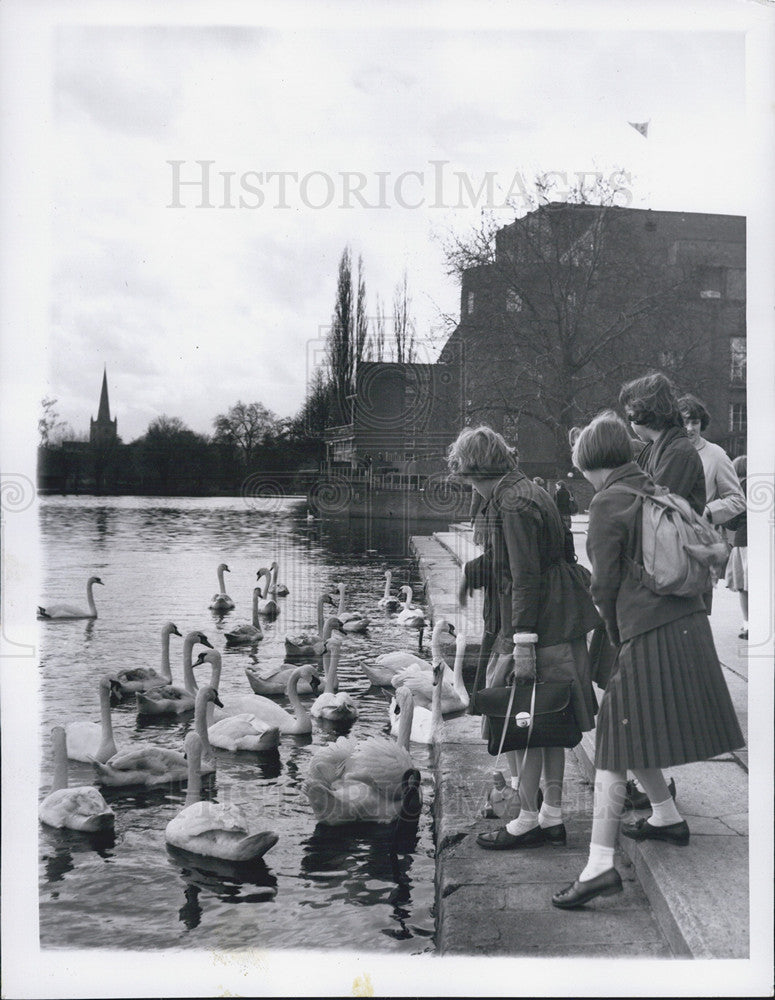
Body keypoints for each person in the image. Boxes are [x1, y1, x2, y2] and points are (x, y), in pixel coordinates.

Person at [552, 412, 744, 909]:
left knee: (613, 742)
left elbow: (604, 585)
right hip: (687, 623)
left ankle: (598, 867)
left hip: (648, 630)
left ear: (586, 460)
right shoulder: (652, 489)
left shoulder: (607, 501)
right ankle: (666, 816)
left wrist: (614, 637)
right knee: (630, 726)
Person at [448, 425, 600, 849]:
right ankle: (551, 815)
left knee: (523, 717)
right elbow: (527, 556)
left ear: (473, 469)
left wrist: (523, 641)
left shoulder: (510, 504)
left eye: (463, 474)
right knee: (550, 718)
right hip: (556, 619)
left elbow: (525, 576)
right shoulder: (525, 490)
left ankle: (527, 818)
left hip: (536, 624)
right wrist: (476, 568)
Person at [619, 372, 706, 516]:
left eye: (629, 414)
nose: (629, 422)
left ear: (640, 414)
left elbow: (655, 506)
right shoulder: (657, 447)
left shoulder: (678, 452)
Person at [677, 393, 745, 529]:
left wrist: (708, 511)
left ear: (701, 423)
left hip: (698, 536)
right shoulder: (663, 451)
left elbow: (738, 500)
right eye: (685, 422)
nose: (690, 428)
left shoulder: (716, 454)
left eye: (695, 422)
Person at [724, 455, 748, 639]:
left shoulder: (739, 490)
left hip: (743, 542)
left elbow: (731, 520)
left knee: (744, 587)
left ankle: (748, 624)